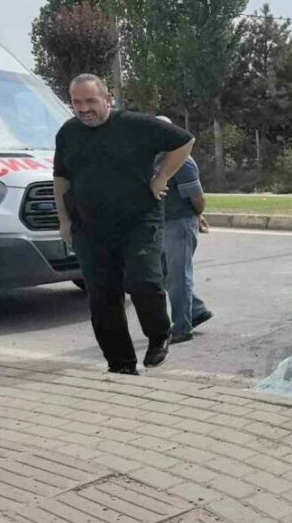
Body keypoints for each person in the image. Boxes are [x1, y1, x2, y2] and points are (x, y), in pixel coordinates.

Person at [53, 74, 194, 374]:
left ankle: (159, 334)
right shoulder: (67, 133)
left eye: (91, 101)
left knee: (143, 281)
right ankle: (120, 364)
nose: (84, 108)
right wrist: (64, 221)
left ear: (108, 98)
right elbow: (61, 178)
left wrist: (161, 177)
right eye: (77, 102)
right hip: (89, 227)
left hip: (139, 221)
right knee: (102, 298)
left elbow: (184, 141)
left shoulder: (136, 125)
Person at [155, 116, 213, 344]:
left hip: (179, 224)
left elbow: (197, 198)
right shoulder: (156, 159)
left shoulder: (183, 161)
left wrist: (197, 216)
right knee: (165, 274)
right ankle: (196, 310)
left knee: (178, 276)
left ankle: (181, 327)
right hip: (162, 224)